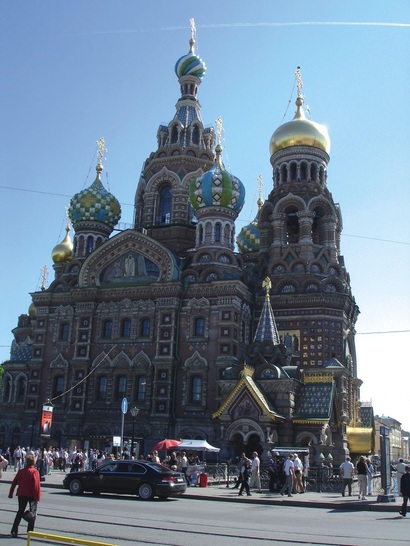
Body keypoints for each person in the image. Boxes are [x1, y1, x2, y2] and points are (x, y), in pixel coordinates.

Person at [8, 453, 42, 538]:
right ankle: (30, 531)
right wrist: (37, 498)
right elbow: (36, 486)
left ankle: (14, 530)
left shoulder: (21, 471)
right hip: (31, 495)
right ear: (33, 462)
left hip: (21, 494)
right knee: (33, 513)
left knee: (20, 512)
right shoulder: (35, 472)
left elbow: (14, 482)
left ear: (26, 462)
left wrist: (11, 493)